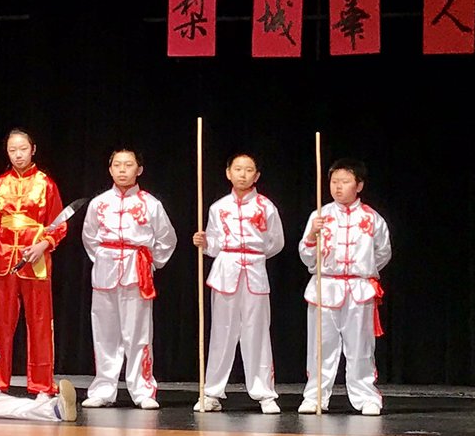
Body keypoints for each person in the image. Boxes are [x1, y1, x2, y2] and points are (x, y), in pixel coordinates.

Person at [81, 148, 177, 408]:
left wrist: (151, 262)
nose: (123, 170)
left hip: (137, 271)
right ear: (110, 169)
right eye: (117, 165)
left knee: (138, 332)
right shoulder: (99, 203)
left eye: (129, 165)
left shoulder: (150, 204)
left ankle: (143, 389)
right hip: (105, 270)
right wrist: (103, 258)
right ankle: (103, 388)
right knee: (104, 332)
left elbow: (167, 239)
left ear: (139, 170)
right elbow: (89, 237)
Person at [191, 152, 285, 414]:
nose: (243, 174)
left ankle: (264, 393)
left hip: (254, 270)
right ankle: (211, 391)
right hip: (226, 270)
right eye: (238, 169)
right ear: (228, 172)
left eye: (248, 170)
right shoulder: (218, 207)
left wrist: (252, 254)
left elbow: (275, 242)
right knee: (222, 332)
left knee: (257, 331)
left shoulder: (266, 207)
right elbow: (215, 244)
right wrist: (205, 243)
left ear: (256, 175)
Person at [297, 158, 392, 415]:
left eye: (345, 182)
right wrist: (310, 237)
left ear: (358, 185)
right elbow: (306, 257)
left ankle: (366, 396)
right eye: (334, 182)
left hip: (358, 290)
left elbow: (382, 253)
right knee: (321, 346)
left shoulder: (372, 219)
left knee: (360, 346)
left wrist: (362, 271)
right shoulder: (319, 216)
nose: (338, 187)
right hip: (325, 287)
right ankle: (316, 395)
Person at [0, 129, 68, 399]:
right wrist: (10, 237)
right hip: (2, 259)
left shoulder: (46, 184)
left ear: (33, 149)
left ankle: (41, 383)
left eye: (22, 149)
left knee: (40, 322)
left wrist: (42, 243)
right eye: (12, 150)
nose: (18, 155)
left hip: (37, 258)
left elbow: (59, 224)